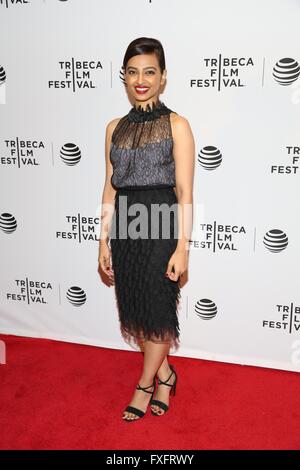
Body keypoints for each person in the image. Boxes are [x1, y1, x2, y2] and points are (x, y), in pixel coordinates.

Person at [98, 37, 195, 422]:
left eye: (149, 72)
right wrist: (103, 239)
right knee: (137, 310)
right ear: (124, 76)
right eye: (133, 72)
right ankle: (167, 375)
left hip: (160, 222)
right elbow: (109, 186)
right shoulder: (113, 129)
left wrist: (182, 246)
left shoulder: (177, 125)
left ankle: (144, 385)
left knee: (156, 311)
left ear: (163, 76)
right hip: (124, 225)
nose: (141, 80)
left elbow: (186, 190)